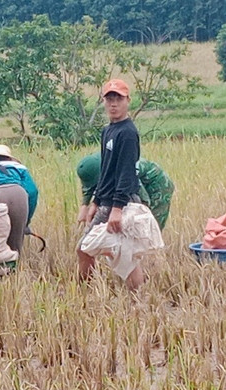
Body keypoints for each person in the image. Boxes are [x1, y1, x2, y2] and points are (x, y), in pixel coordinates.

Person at [77, 79, 146, 291]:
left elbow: (126, 173)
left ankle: (134, 296)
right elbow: (106, 170)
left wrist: (116, 208)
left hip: (119, 203)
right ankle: (92, 291)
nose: (113, 104)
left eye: (118, 99)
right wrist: (95, 200)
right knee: (111, 251)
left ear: (128, 101)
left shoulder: (127, 133)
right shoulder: (108, 131)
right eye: (109, 99)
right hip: (106, 200)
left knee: (92, 250)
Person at [76, 152, 174, 230]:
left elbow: (144, 202)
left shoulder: (124, 172)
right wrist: (84, 206)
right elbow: (89, 187)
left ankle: (151, 253)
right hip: (136, 181)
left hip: (158, 185)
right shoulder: (96, 164)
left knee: (150, 227)